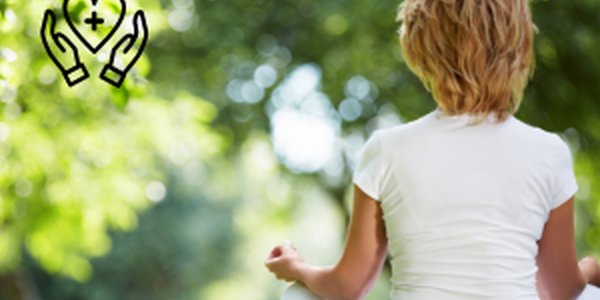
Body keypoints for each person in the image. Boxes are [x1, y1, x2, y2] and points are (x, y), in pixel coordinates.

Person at [264, 0, 600, 299]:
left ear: (419, 48)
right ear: (519, 47)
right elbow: (560, 290)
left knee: (300, 296)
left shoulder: (386, 149)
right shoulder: (549, 151)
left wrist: (297, 269)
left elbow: (347, 286)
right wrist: (588, 272)